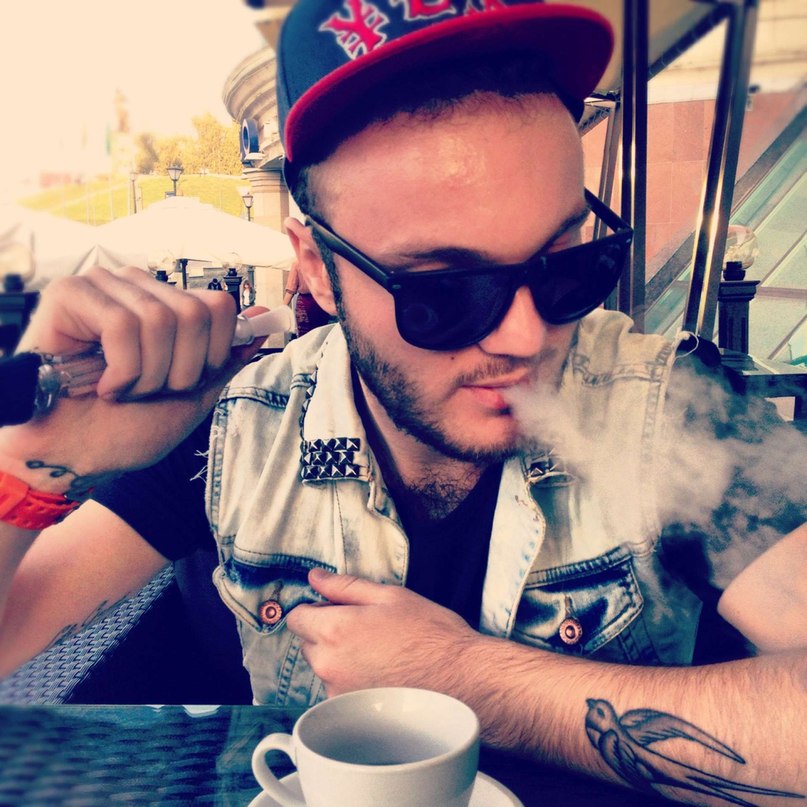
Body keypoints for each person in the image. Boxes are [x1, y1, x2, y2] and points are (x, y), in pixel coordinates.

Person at [0, 1, 804, 802]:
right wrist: (34, 458)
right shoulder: (237, 428)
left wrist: (472, 679)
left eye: (567, 266)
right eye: (444, 291)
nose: (526, 335)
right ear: (317, 268)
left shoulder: (673, 410)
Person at [283, 259, 332, 336]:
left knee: (317, 334)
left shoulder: (325, 262)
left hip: (318, 303)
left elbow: (290, 290)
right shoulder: (325, 261)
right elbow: (290, 290)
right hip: (314, 302)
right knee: (318, 334)